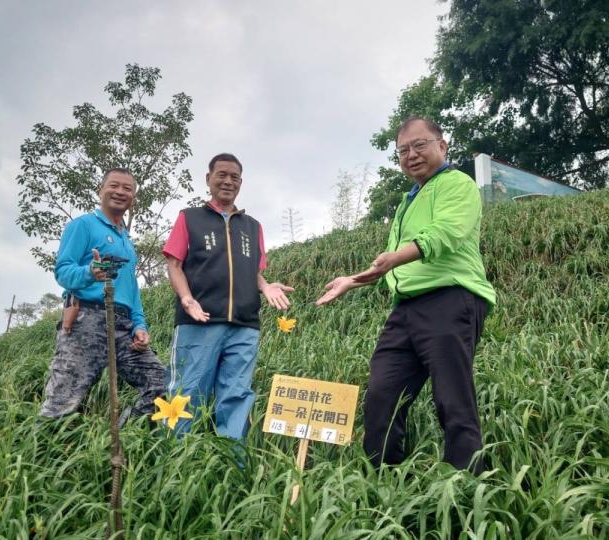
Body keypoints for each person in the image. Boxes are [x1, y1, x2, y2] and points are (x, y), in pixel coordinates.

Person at [316, 116, 496, 472]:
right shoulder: (408, 200)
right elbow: (389, 265)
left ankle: (470, 487)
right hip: (406, 310)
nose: (411, 154)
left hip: (450, 298)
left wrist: (395, 257)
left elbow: (445, 234)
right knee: (383, 394)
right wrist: (351, 280)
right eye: (403, 150)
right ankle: (385, 480)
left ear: (442, 146)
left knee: (452, 399)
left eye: (420, 145)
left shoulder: (457, 184)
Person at [163, 153, 294, 440]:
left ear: (241, 183)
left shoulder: (253, 226)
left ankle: (232, 467)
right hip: (199, 321)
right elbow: (174, 264)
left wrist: (265, 286)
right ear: (208, 179)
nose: (227, 181)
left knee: (236, 396)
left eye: (234, 177)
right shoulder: (190, 218)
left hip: (244, 326)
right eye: (221, 174)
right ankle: (175, 465)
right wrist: (186, 299)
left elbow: (254, 270)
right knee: (186, 394)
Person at [39, 168, 165, 422]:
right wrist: (90, 273)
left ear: (133, 197)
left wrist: (139, 325)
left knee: (161, 384)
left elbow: (131, 289)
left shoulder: (127, 241)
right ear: (101, 190)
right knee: (63, 400)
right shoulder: (83, 225)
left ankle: (122, 437)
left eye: (127, 189)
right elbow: (63, 271)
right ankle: (44, 456)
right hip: (86, 318)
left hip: (124, 326)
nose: (120, 192)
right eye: (114, 186)